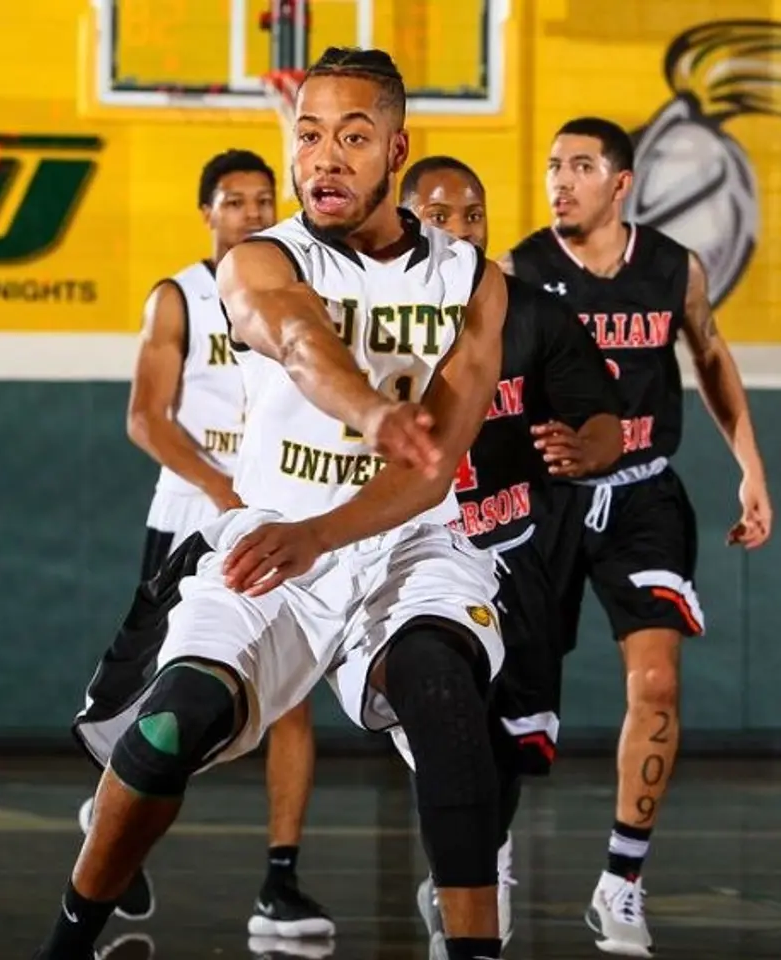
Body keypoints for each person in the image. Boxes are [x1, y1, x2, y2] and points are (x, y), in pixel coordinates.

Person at [40, 46, 510, 960]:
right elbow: (295, 338)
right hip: (270, 533)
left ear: (396, 150)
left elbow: (432, 467)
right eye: (309, 135)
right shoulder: (256, 262)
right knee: (171, 724)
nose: (324, 157)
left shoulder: (473, 283)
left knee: (447, 703)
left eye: (352, 136)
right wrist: (370, 409)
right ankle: (64, 944)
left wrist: (326, 529)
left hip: (406, 542)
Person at [503, 116, 773, 957]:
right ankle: (485, 865)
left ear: (621, 184)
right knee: (510, 702)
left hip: (644, 496)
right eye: (552, 166)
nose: (560, 181)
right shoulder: (519, 271)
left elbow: (713, 355)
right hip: (544, 501)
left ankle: (621, 881)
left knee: (656, 685)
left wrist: (750, 467)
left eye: (579, 167)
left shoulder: (671, 268)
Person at [76, 148, 334, 936]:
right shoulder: (178, 297)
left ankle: (279, 883)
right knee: (164, 703)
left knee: (288, 705)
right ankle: (115, 834)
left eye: (264, 200)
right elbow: (146, 419)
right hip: (193, 519)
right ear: (206, 213)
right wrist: (225, 491)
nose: (252, 213)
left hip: (276, 517)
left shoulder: (300, 291)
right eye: (234, 200)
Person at [399, 155, 623, 954]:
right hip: (420, 555)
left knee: (511, 745)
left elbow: (603, 415)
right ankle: (469, 882)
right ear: (403, 222)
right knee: (451, 724)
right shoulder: (377, 312)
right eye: (438, 215)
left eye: (473, 215)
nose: (459, 230)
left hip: (520, 552)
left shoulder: (532, 313)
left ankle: (480, 854)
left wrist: (587, 450)